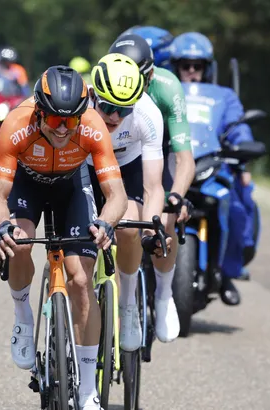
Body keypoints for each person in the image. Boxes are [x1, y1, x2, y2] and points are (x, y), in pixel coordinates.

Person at [0, 66, 127, 410]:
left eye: (71, 121)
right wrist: (3, 226)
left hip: (71, 186)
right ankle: (23, 316)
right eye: (54, 120)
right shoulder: (16, 124)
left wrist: (106, 222)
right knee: (19, 243)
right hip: (28, 186)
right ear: (38, 111)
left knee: (81, 279)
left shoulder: (92, 125)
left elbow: (116, 195)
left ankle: (88, 389)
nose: (63, 129)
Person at [107, 33, 195, 340]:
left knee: (166, 216)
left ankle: (164, 293)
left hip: (159, 148)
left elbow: (184, 159)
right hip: (118, 150)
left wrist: (176, 197)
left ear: (150, 75)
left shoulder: (167, 88)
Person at [83, 53, 174, 350]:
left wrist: (149, 231)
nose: (114, 117)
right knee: (79, 237)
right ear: (93, 95)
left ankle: (128, 304)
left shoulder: (148, 114)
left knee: (127, 227)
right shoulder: (79, 108)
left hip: (127, 167)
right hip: (85, 166)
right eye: (108, 107)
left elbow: (153, 187)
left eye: (123, 110)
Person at [168, 31, 258, 304]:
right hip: (172, 167)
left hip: (211, 167)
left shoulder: (224, 96)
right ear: (175, 67)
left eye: (197, 66)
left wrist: (243, 150)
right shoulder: (164, 90)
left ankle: (226, 273)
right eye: (185, 65)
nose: (191, 71)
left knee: (237, 208)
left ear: (207, 68)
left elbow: (238, 128)